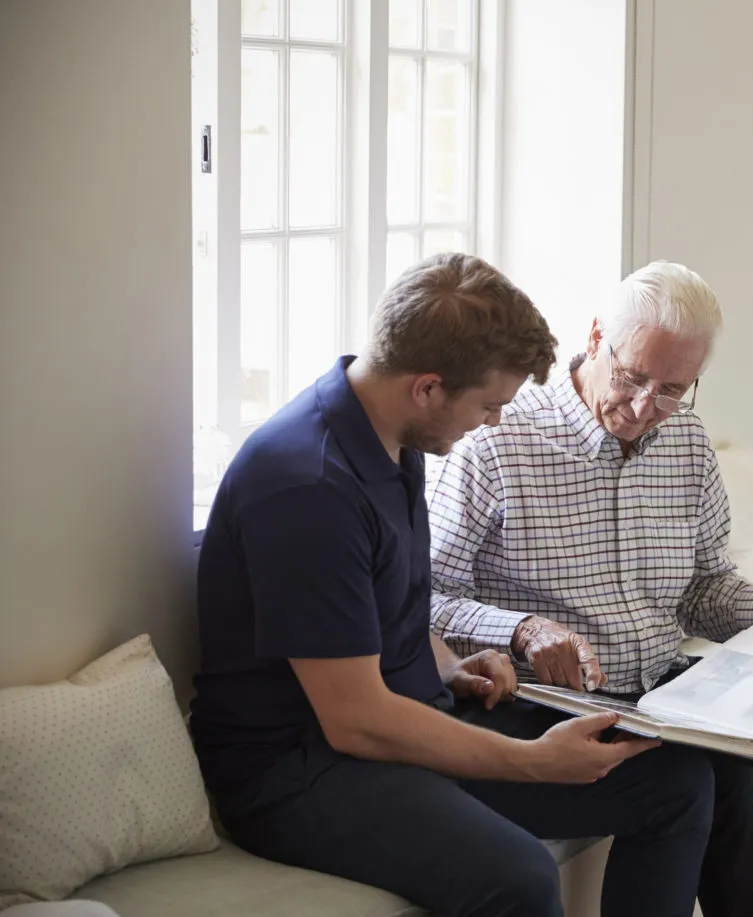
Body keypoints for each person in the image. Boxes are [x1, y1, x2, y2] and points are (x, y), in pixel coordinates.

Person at [188, 254, 715, 917]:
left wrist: (450, 661)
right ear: (428, 387)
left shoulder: (396, 437)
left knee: (676, 781)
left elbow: (392, 609)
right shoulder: (308, 485)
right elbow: (354, 720)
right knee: (520, 876)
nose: (494, 422)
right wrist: (531, 760)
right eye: (489, 404)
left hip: (397, 714)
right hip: (298, 770)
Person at [428, 260, 753, 917]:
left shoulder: (685, 442)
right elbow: (425, 598)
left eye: (675, 388)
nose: (648, 406)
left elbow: (705, 582)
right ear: (596, 338)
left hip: (670, 689)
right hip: (551, 704)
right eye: (633, 378)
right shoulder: (495, 443)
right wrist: (523, 630)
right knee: (721, 779)